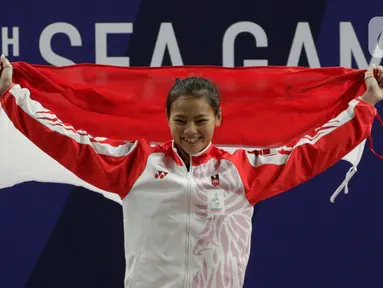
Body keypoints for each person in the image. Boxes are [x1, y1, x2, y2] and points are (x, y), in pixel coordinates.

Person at [0, 54, 382, 288]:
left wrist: (363, 106)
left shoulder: (242, 170)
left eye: (200, 120)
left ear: (218, 117)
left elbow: (311, 152)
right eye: (180, 120)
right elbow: (67, 141)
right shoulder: (135, 163)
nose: (190, 130)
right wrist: (11, 96)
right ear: (166, 119)